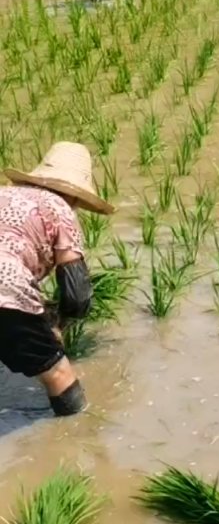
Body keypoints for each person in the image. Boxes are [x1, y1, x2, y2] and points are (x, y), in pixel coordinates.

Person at [0, 143, 114, 417]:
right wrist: (55, 324)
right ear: (76, 196)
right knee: (58, 372)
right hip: (4, 288)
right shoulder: (61, 210)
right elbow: (77, 296)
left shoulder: (4, 194)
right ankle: (76, 437)